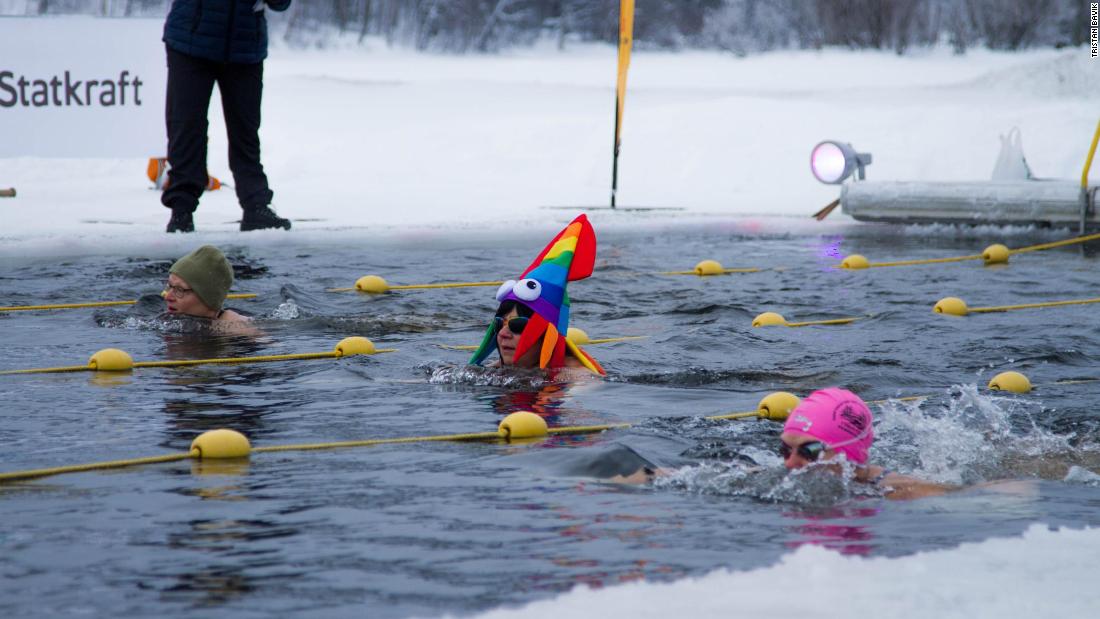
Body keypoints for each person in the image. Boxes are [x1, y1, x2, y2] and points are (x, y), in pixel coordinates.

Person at [612, 388, 955, 500]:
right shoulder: (781, 476)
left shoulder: (899, 489)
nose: (790, 464)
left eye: (808, 452)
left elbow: (972, 495)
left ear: (848, 451)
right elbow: (691, 475)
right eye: (785, 450)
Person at [161, 0, 293, 233]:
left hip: (245, 45)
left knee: (246, 131)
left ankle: (256, 206)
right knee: (186, 128)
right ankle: (181, 210)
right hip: (191, 39)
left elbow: (281, 3)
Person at [469, 214, 606, 376]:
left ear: (547, 333)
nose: (503, 334)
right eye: (500, 324)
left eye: (517, 325)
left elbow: (586, 387)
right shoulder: (495, 370)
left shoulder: (573, 375)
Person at [165, 245, 250, 327]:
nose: (167, 297)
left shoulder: (237, 329)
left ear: (207, 297)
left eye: (180, 289)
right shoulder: (166, 322)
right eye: (169, 285)